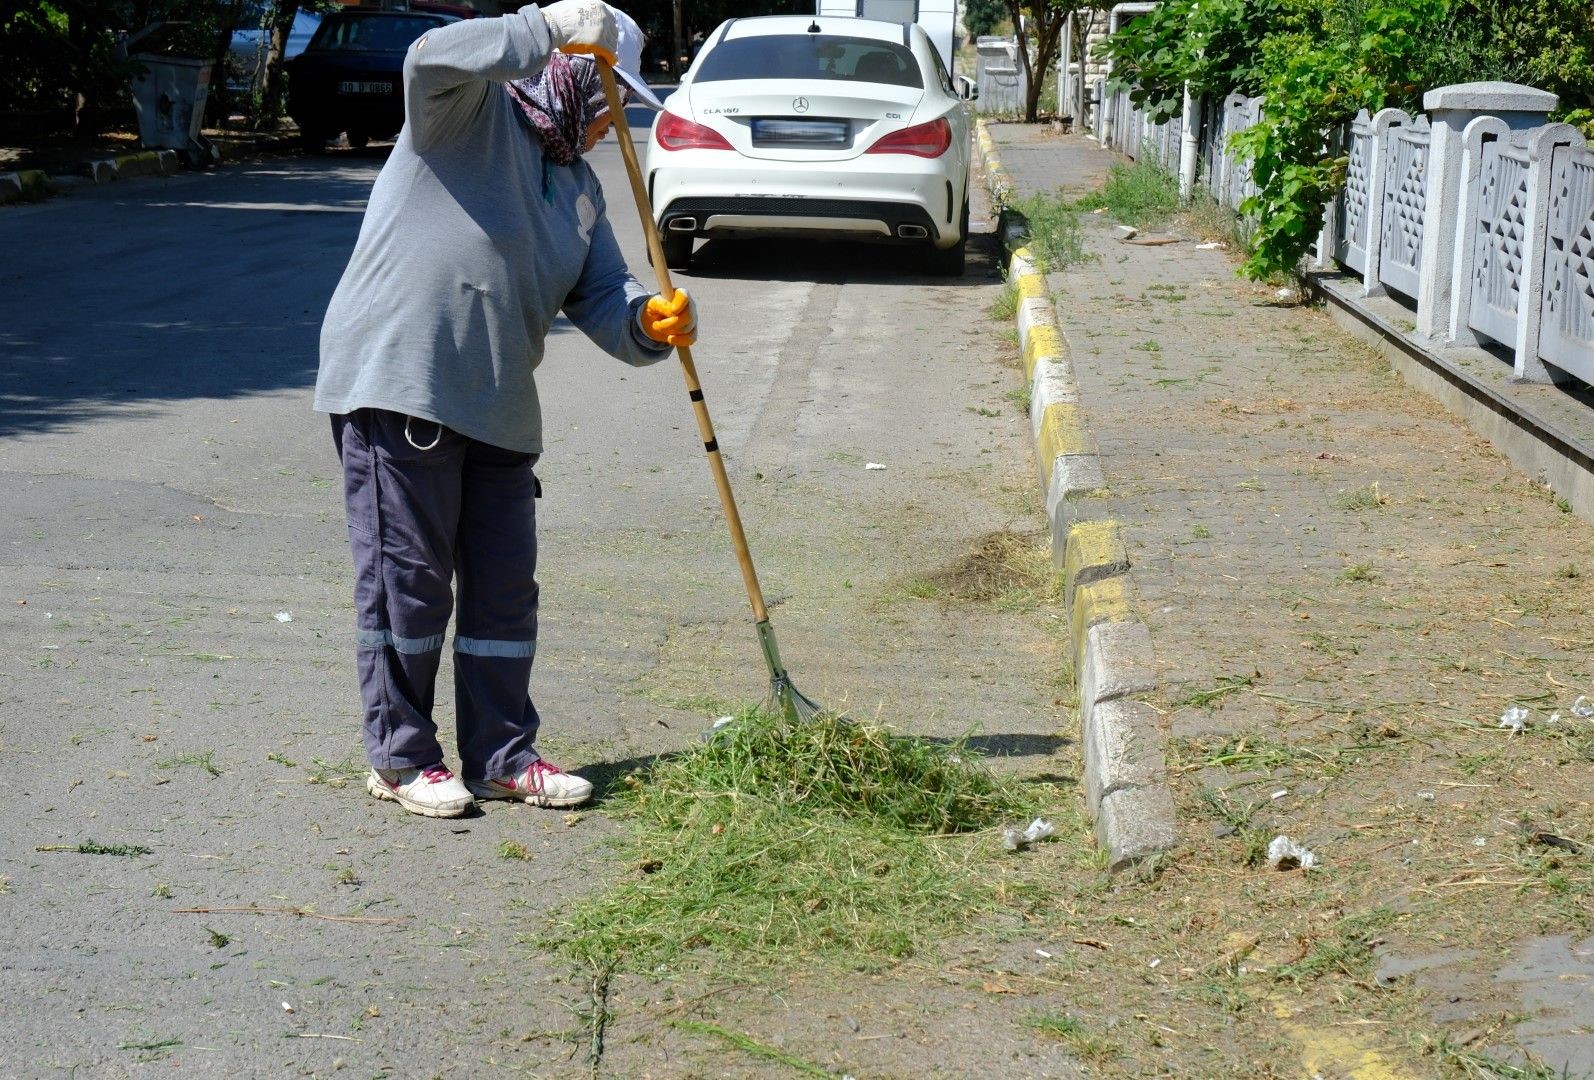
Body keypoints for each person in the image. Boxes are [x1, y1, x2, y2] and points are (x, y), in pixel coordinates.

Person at [313, 1, 695, 819]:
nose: (614, 119)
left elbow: (605, 298)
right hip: (401, 379)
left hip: (500, 402)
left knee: (503, 590)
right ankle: (403, 758)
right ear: (572, 78)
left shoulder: (579, 188)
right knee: (408, 585)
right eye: (610, 97)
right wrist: (546, 22)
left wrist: (648, 325)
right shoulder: (468, 110)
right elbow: (427, 57)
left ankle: (501, 755)